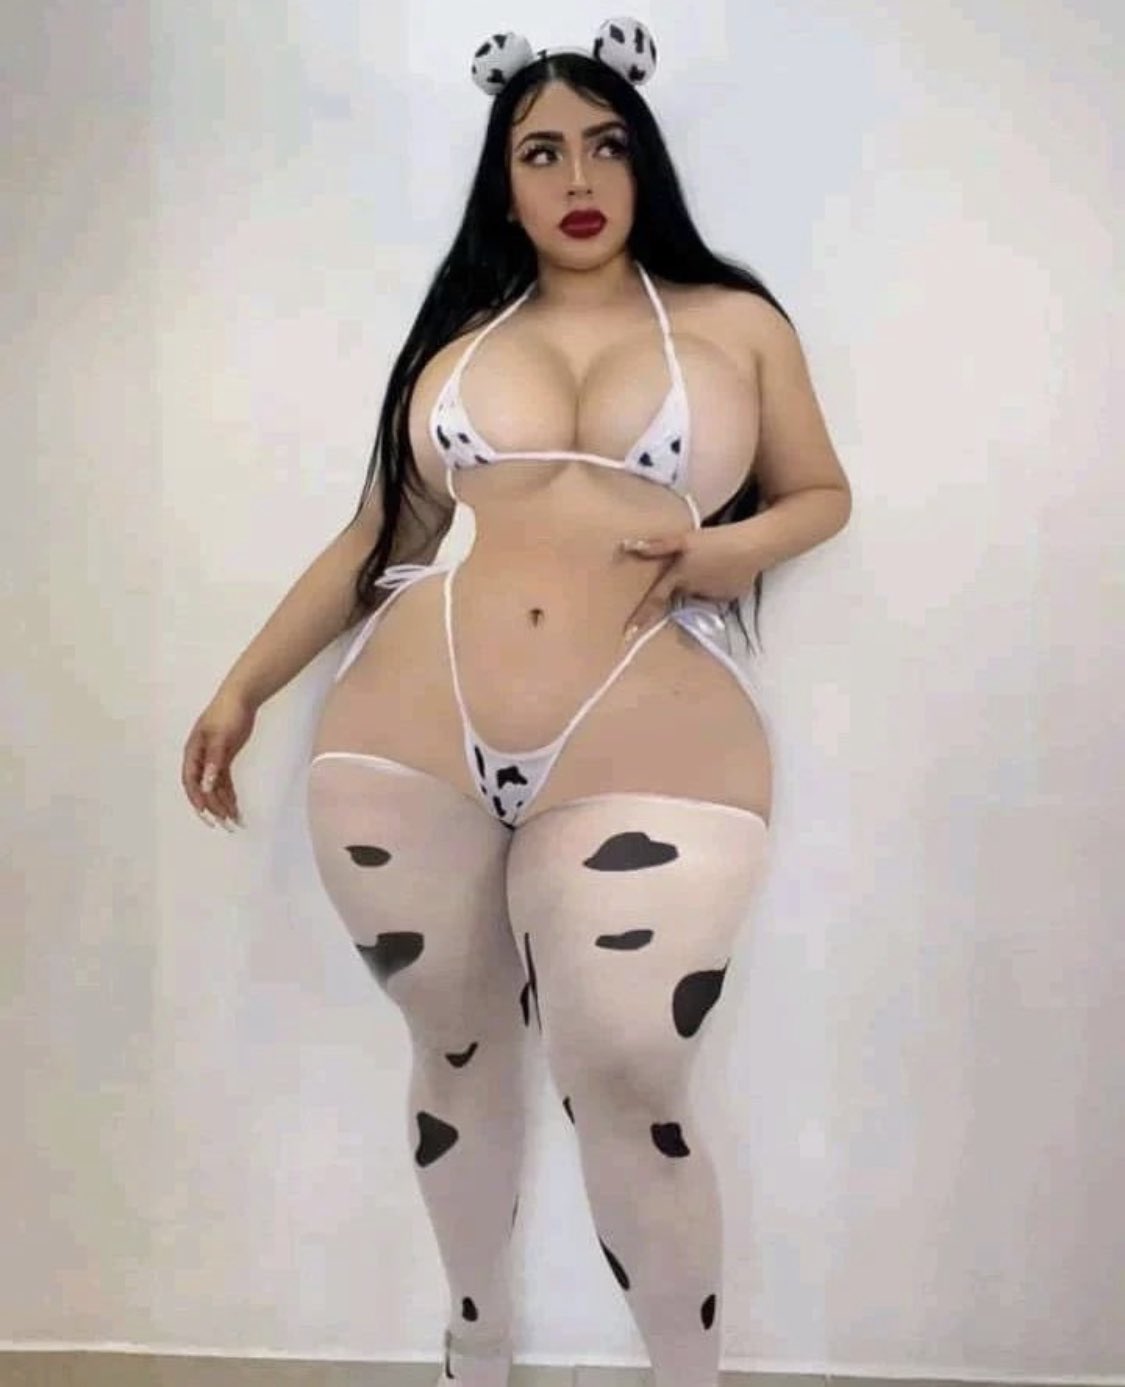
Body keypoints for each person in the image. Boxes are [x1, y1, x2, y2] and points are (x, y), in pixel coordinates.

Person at [181, 18, 851, 1387]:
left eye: (604, 145)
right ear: (504, 179)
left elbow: (820, 493)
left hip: (648, 736)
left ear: (643, 158)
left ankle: (686, 1376)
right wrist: (243, 686)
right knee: (454, 1048)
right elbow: (381, 532)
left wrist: (727, 549)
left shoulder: (735, 322)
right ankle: (473, 1345)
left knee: (630, 1067)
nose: (576, 178)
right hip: (407, 738)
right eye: (540, 153)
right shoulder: (461, 335)